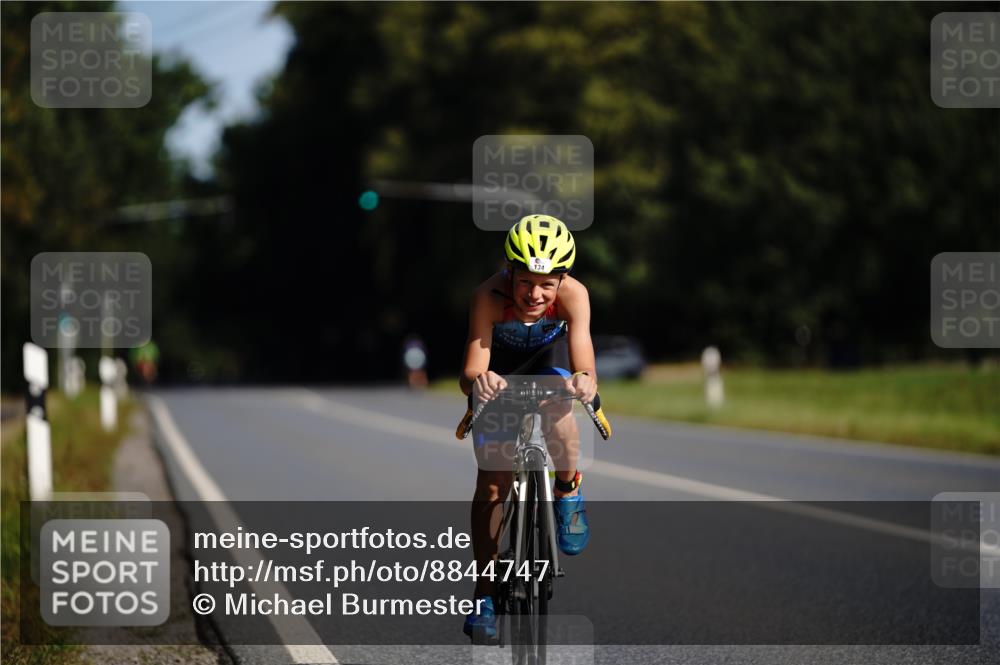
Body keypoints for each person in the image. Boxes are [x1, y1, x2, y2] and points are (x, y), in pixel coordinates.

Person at [458, 214, 599, 642]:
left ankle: (568, 489)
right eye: (525, 282)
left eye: (546, 284)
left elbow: (584, 362)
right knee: (493, 486)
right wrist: (480, 382)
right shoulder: (487, 295)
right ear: (510, 271)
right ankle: (484, 593)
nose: (535, 294)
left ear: (562, 279)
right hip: (498, 370)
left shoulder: (574, 296)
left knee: (559, 403)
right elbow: (470, 372)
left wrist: (585, 381)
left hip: (547, 361)